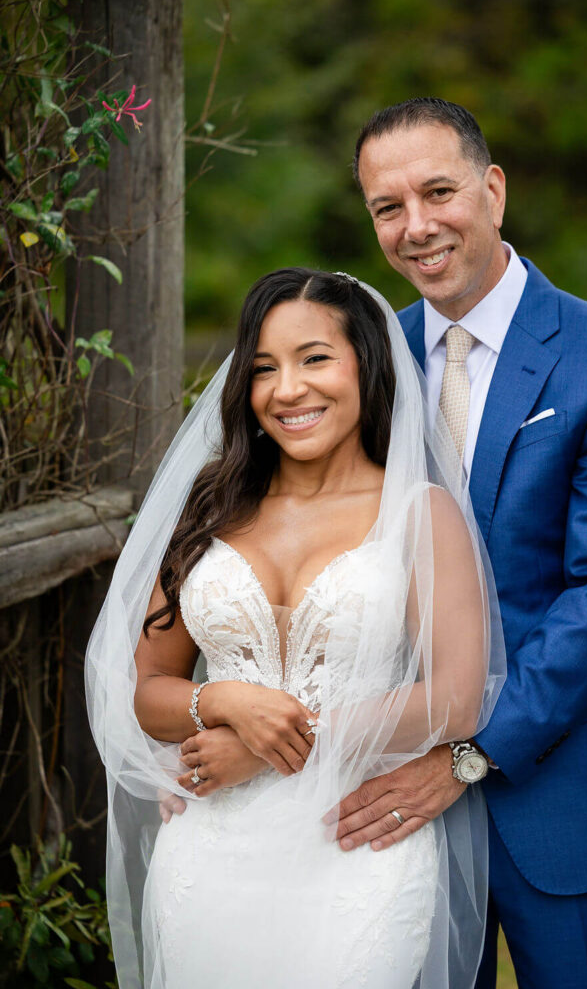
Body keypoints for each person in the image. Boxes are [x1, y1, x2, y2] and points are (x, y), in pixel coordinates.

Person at [328, 97, 587, 988]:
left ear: (493, 190)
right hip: (395, 800)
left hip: (567, 791)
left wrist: (469, 756)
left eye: (438, 192)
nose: (416, 227)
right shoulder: (369, 363)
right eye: (386, 208)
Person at [85, 268, 506, 988]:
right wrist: (219, 702)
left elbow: (454, 700)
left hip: (356, 849)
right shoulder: (209, 509)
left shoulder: (419, 512)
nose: (288, 389)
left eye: (314, 359)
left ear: (365, 366)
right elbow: (142, 688)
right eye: (264, 369)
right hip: (210, 856)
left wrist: (275, 745)